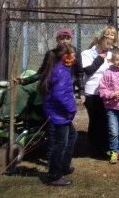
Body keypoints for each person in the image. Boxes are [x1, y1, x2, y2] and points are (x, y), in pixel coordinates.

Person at [40, 43, 77, 187]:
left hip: (59, 112)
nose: (75, 58)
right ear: (65, 57)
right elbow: (60, 95)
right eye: (72, 55)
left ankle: (64, 166)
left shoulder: (61, 68)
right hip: (60, 113)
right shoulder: (61, 71)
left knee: (72, 136)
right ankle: (55, 175)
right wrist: (71, 109)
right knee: (60, 144)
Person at [81, 35, 113, 156]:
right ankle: (94, 147)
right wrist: (100, 58)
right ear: (100, 43)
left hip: (107, 92)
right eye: (107, 44)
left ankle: (104, 146)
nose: (109, 47)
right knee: (95, 119)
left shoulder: (110, 54)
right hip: (92, 91)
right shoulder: (87, 53)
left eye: (111, 45)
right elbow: (88, 70)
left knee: (105, 119)